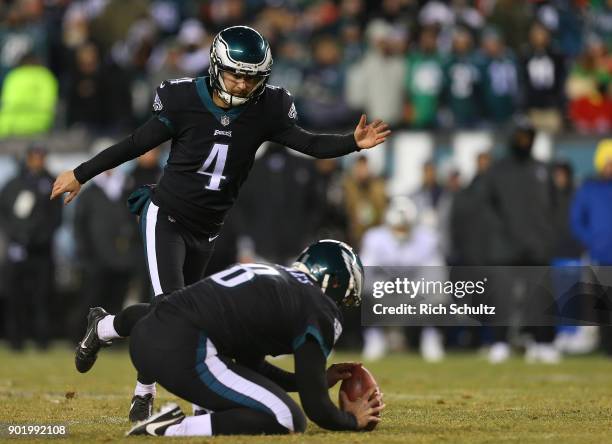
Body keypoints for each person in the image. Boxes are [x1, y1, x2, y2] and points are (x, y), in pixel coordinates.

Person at [51, 25, 390, 421]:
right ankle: (143, 395)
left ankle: (105, 326)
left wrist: (351, 141)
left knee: (192, 318)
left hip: (208, 228)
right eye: (236, 74)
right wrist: (81, 172)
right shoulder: (182, 100)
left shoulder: (267, 108)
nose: (243, 84)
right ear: (215, 66)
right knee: (169, 313)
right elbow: (135, 144)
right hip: (168, 215)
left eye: (251, 76)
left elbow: (309, 143)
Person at [75, 240, 385, 436]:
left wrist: (311, 378)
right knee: (288, 418)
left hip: (150, 337)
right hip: (185, 350)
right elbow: (316, 409)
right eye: (346, 295)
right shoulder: (317, 305)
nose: (343, 304)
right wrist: (350, 421)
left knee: (260, 400)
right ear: (333, 283)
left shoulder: (275, 278)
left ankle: (105, 326)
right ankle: (173, 428)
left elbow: (251, 367)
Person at [0, 144, 62, 350]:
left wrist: (38, 238)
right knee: (15, 295)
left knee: (42, 296)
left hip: (42, 250)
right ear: (28, 158)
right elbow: (5, 215)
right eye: (35, 157)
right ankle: (15, 340)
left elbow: (56, 217)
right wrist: (17, 238)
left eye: (41, 156)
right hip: (17, 249)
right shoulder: (13, 184)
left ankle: (42, 340)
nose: (38, 160)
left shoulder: (52, 182)